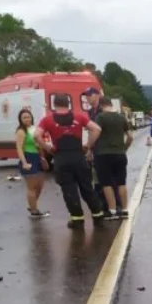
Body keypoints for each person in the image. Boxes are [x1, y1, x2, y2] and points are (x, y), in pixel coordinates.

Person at [35, 93, 106, 229]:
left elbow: (36, 135)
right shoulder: (79, 117)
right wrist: (88, 145)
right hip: (78, 156)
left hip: (61, 157)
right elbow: (97, 129)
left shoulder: (47, 120)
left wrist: (48, 148)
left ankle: (77, 220)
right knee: (87, 188)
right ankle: (98, 216)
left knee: (69, 190)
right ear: (69, 104)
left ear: (54, 105)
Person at [94, 97, 133, 220]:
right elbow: (130, 137)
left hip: (104, 155)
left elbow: (95, 133)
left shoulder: (100, 117)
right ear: (111, 105)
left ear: (101, 106)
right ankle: (125, 209)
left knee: (106, 183)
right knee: (121, 182)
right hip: (120, 154)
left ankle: (112, 210)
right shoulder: (121, 117)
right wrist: (124, 148)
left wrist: (89, 146)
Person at [15, 108, 50, 218]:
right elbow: (19, 148)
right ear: (20, 120)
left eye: (28, 117)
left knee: (40, 185)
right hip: (28, 157)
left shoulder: (34, 129)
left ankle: (32, 205)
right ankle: (34, 211)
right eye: (24, 117)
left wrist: (42, 157)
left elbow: (38, 144)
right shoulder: (21, 131)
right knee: (31, 186)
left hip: (37, 157)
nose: (26, 119)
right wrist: (24, 162)